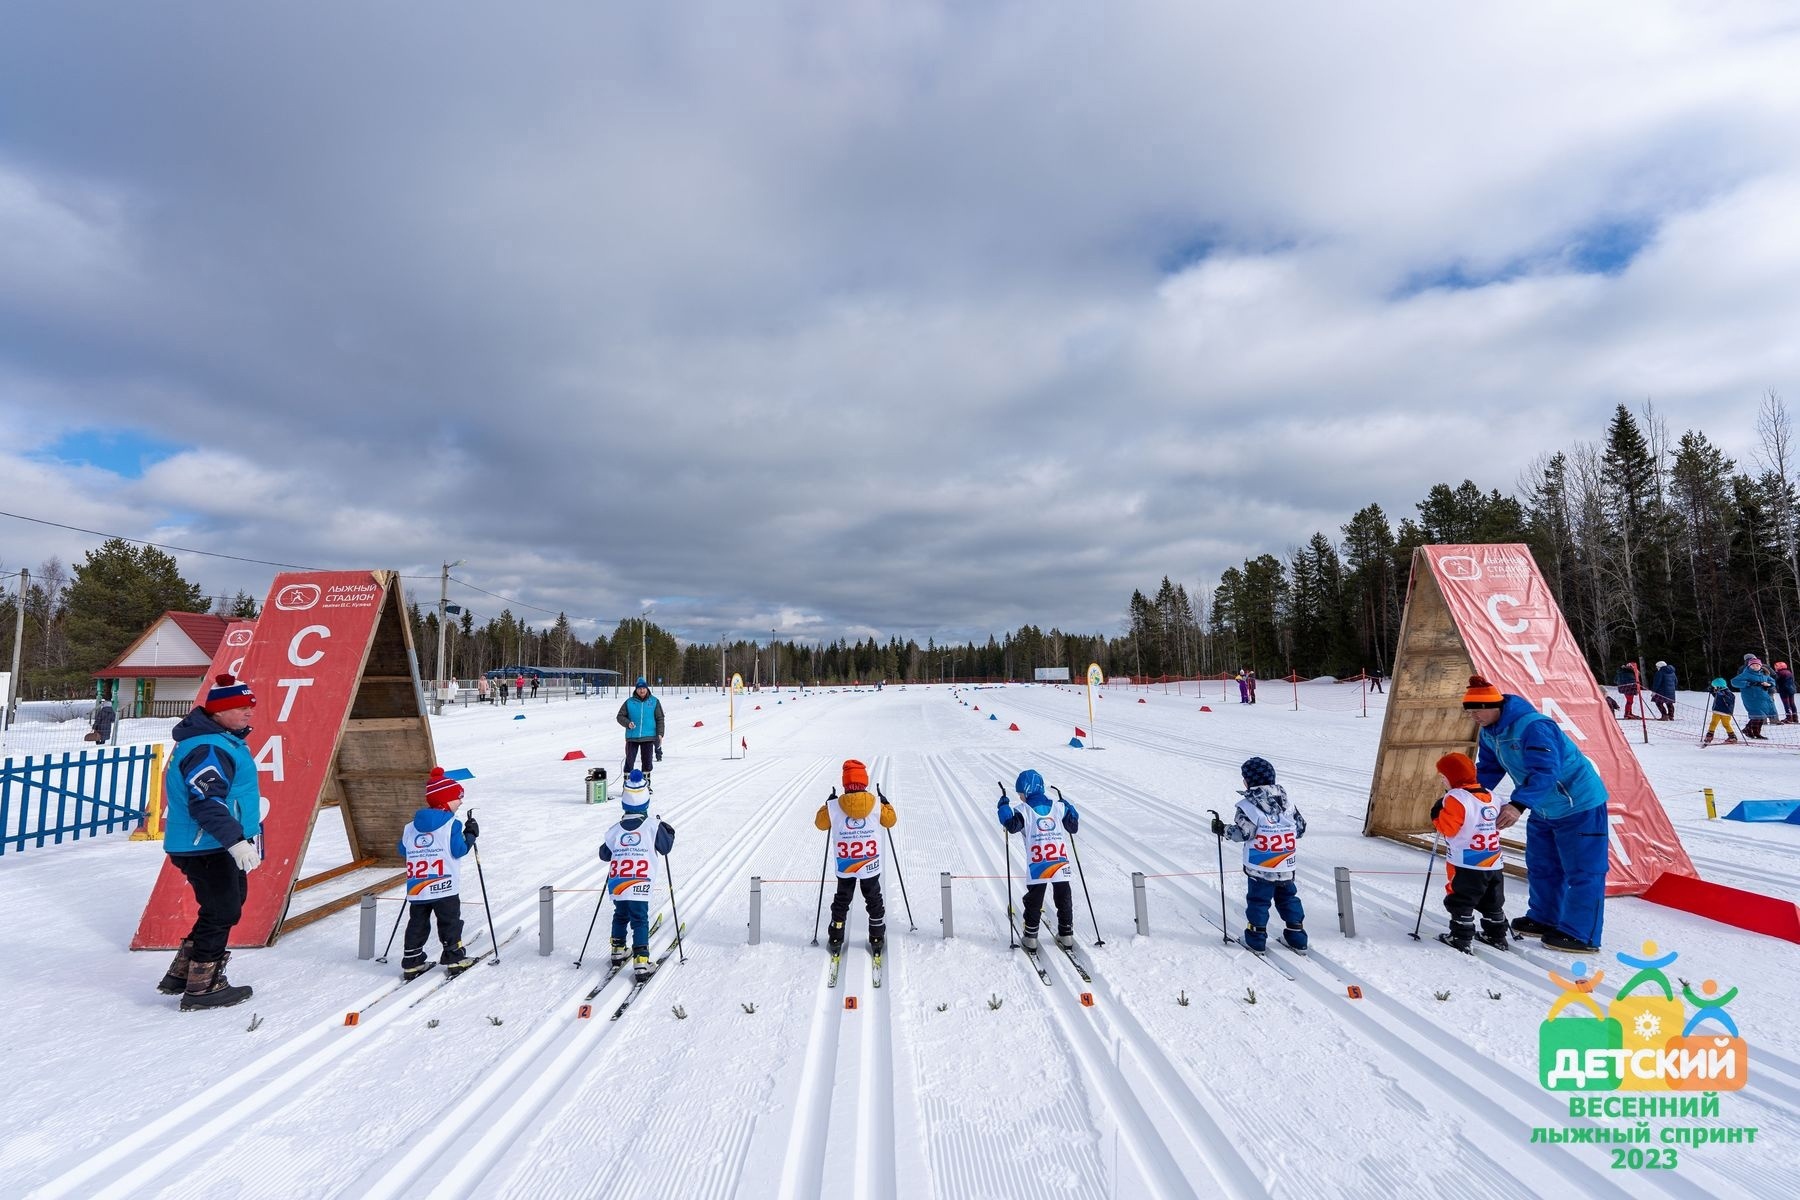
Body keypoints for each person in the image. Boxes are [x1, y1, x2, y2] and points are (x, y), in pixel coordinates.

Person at [1465, 675, 1608, 953]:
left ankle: (1581, 934)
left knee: (1583, 870)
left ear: (1494, 705)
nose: (1473, 716)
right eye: (1468, 711)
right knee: (1542, 865)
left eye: (1477, 709)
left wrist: (1517, 804)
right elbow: (1490, 769)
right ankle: (1543, 917)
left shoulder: (1534, 727)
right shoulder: (1490, 732)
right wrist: (1466, 793)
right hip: (1544, 806)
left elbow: (1546, 770)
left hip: (1577, 804)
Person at [158, 673, 262, 1010]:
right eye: (240, 706)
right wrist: (236, 842)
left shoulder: (221, 741)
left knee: (227, 904)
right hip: (205, 843)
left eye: (251, 704)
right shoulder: (208, 747)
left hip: (213, 841)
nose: (249, 711)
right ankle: (204, 986)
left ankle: (183, 972)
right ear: (218, 711)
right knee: (222, 909)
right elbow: (206, 801)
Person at [1211, 757, 1306, 953]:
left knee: (1258, 901)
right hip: (1285, 863)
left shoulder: (1248, 806)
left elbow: (1243, 833)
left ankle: (1256, 938)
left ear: (1248, 781)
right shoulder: (1287, 803)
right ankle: (1297, 936)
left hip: (1261, 864)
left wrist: (1224, 829)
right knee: (1289, 897)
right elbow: (1300, 828)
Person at [398, 768, 479, 981]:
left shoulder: (410, 827)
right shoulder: (452, 824)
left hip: (418, 886)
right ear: (445, 801)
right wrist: (470, 835)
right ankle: (454, 959)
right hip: (444, 885)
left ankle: (412, 962)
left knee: (417, 923)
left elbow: (402, 850)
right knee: (449, 922)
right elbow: (459, 850)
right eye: (457, 798)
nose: (460, 803)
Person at [598, 770, 675, 981]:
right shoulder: (652, 826)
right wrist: (668, 831)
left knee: (620, 914)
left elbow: (604, 854)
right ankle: (641, 960)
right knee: (639, 919)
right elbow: (665, 847)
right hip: (640, 882)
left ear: (624, 804)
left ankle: (617, 949)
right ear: (645, 803)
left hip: (618, 883)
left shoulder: (615, 830)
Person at [1430, 752, 1509, 953]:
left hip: (1466, 861)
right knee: (1492, 898)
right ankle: (1496, 934)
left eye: (1443, 777)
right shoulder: (1491, 795)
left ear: (1453, 777)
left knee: (1461, 898)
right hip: (1493, 860)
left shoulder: (1456, 798)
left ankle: (1460, 937)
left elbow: (1448, 828)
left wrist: (1436, 814)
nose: (1442, 781)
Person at [814, 758, 894, 954]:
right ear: (864, 782)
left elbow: (820, 824)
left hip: (846, 865)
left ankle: (835, 936)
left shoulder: (834, 807)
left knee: (842, 900)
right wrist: (886, 803)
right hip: (870, 865)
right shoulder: (875, 805)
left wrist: (828, 804)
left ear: (845, 783)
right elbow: (890, 821)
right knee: (874, 899)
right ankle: (876, 937)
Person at [997, 768, 1079, 951]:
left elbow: (1011, 825)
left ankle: (1031, 935)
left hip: (1039, 862)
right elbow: (1073, 826)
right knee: (1063, 896)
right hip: (1059, 860)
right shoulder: (1058, 807)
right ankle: (1066, 934)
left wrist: (1003, 806)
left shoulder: (1024, 810)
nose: (1020, 798)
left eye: (1020, 794)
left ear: (1027, 791)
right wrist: (1069, 807)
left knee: (1035, 898)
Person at [616, 677, 665, 788]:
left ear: (647, 689)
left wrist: (660, 734)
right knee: (629, 761)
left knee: (647, 762)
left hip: (648, 737)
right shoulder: (629, 702)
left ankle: (646, 785)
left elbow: (660, 718)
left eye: (643, 688)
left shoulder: (654, 701)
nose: (642, 691)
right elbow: (620, 716)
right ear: (636, 689)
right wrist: (628, 723)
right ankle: (627, 785)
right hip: (632, 737)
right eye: (639, 689)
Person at [1730, 655, 1777, 740]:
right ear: (1749, 666)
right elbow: (1734, 682)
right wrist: (1749, 684)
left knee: (1761, 716)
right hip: (1751, 698)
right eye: (1753, 665)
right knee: (1757, 715)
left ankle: (1749, 730)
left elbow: (1772, 681)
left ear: (1760, 666)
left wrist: (1769, 685)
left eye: (1757, 665)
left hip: (1763, 698)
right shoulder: (1746, 674)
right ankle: (1756, 733)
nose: (1755, 666)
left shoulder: (1763, 674)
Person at [1704, 678, 1739, 745]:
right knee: (1713, 723)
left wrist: (1723, 695)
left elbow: (1730, 699)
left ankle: (1732, 737)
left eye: (1714, 686)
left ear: (1719, 686)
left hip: (1726, 712)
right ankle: (1709, 736)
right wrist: (1712, 692)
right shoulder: (1718, 691)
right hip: (1717, 711)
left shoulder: (1728, 692)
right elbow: (1717, 697)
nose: (1714, 687)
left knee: (1726, 724)